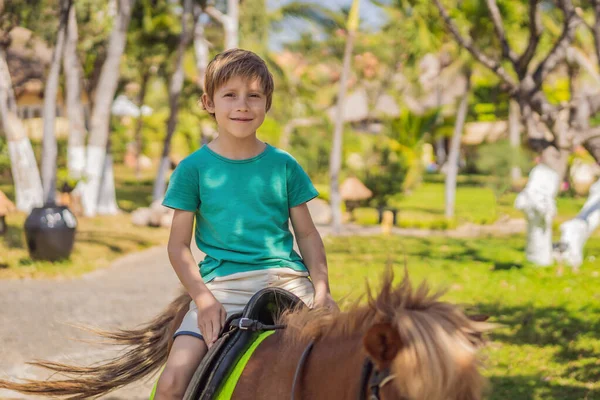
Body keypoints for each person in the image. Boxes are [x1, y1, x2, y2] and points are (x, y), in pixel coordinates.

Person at [155, 48, 337, 399]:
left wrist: (323, 289)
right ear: (208, 102)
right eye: (230, 96)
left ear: (267, 104)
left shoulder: (284, 165)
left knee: (342, 363)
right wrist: (203, 300)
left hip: (289, 282)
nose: (243, 106)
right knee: (172, 383)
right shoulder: (193, 169)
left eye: (254, 96)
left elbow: (309, 235)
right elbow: (177, 246)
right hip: (223, 287)